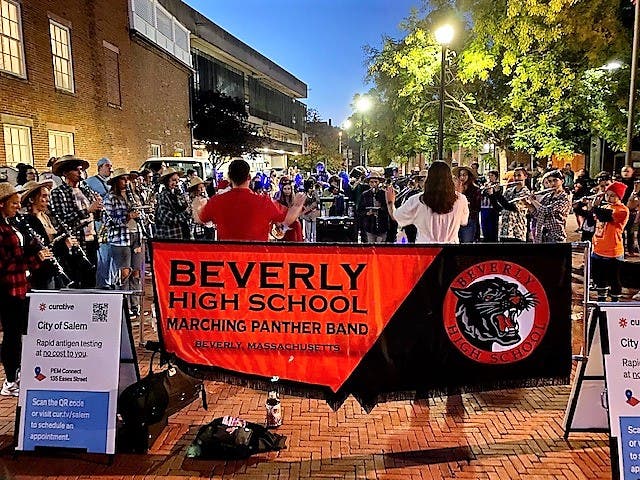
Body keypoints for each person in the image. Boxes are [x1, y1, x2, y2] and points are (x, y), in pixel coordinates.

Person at [0, 183, 50, 396]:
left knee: (20, 333)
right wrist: (30, 258)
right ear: (2, 204)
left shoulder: (11, 223)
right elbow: (5, 263)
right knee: (11, 335)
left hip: (21, 285)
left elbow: (19, 256)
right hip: (7, 289)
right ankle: (10, 380)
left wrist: (34, 255)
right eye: (13, 203)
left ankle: (18, 372)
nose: (17, 207)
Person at [197, 158, 305, 241]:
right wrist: (297, 206)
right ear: (249, 177)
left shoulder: (217, 201)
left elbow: (201, 218)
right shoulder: (263, 202)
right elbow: (287, 219)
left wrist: (196, 204)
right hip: (256, 259)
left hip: (227, 259)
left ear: (229, 177)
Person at [49, 155, 102, 288]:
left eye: (81, 169)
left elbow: (96, 217)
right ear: (65, 173)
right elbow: (62, 218)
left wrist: (98, 208)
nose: (80, 172)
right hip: (75, 243)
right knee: (77, 281)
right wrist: (88, 210)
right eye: (76, 170)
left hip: (91, 240)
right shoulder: (58, 192)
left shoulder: (86, 191)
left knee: (91, 280)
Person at [385, 161, 469, 243]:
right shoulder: (461, 199)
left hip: (425, 248)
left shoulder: (417, 200)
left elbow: (396, 216)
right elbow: (464, 221)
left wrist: (390, 202)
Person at [16, 179, 77, 289]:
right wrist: (64, 246)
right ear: (31, 199)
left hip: (53, 270)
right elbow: (43, 249)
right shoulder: (29, 221)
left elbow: (52, 244)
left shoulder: (46, 217)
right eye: (44, 196)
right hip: (41, 273)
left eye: (48, 196)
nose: (48, 200)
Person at [103, 169, 144, 315]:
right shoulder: (110, 198)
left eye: (128, 179)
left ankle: (135, 305)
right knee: (125, 273)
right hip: (120, 239)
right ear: (116, 181)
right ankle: (124, 306)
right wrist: (127, 217)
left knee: (136, 271)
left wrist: (140, 213)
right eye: (123, 179)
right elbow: (108, 221)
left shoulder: (133, 196)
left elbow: (141, 215)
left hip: (136, 235)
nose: (126, 182)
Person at [590, 181, 629, 302]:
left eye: (612, 195)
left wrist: (594, 206)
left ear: (619, 197)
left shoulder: (623, 210)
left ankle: (615, 303)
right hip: (598, 249)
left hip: (613, 252)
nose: (608, 197)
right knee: (599, 278)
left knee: (614, 280)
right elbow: (591, 220)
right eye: (607, 194)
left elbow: (605, 216)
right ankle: (601, 300)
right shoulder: (605, 206)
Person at [85, 157, 115, 288]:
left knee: (112, 253)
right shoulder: (90, 182)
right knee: (103, 253)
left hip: (111, 222)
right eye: (107, 166)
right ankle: (103, 283)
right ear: (100, 167)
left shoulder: (112, 182)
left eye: (111, 166)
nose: (110, 168)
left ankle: (112, 280)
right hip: (99, 223)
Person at [526, 170, 571, 243]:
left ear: (562, 181)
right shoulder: (547, 196)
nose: (552, 183)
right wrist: (526, 203)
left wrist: (533, 201)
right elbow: (538, 214)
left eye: (555, 180)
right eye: (549, 181)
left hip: (555, 237)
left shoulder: (565, 198)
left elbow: (546, 211)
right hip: (541, 236)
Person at [488, 167, 530, 242]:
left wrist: (497, 193)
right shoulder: (508, 191)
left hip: (517, 232)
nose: (516, 178)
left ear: (525, 176)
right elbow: (498, 208)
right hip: (504, 231)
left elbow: (510, 207)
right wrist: (491, 195)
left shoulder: (526, 192)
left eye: (519, 175)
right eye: (515, 176)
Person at [154, 168, 192, 240]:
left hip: (182, 235)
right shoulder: (163, 196)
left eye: (178, 180)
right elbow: (168, 218)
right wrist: (186, 213)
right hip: (170, 237)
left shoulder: (178, 194)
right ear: (167, 181)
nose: (177, 182)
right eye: (174, 180)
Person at [357, 173, 390, 244]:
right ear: (369, 183)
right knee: (370, 245)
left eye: (376, 182)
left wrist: (380, 209)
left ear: (379, 182)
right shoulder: (365, 194)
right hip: (370, 226)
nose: (374, 184)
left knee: (381, 246)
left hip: (382, 225)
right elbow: (359, 210)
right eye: (371, 182)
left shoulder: (384, 193)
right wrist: (367, 213)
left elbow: (389, 208)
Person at [453, 166, 481, 243]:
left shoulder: (475, 189)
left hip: (469, 219)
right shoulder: (456, 188)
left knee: (466, 242)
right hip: (456, 219)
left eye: (464, 175)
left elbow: (477, 207)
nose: (462, 177)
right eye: (460, 175)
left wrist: (466, 204)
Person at [188, 176, 215, 240]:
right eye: (200, 187)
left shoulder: (204, 197)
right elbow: (195, 216)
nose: (202, 189)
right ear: (195, 189)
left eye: (203, 187)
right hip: (201, 228)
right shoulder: (194, 200)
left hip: (208, 226)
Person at [480, 170, 500, 242]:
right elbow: (481, 194)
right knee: (484, 226)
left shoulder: (498, 186)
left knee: (492, 227)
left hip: (492, 208)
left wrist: (491, 190)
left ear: (496, 177)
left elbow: (497, 196)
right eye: (489, 176)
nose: (490, 177)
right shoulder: (486, 184)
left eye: (492, 175)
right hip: (483, 207)